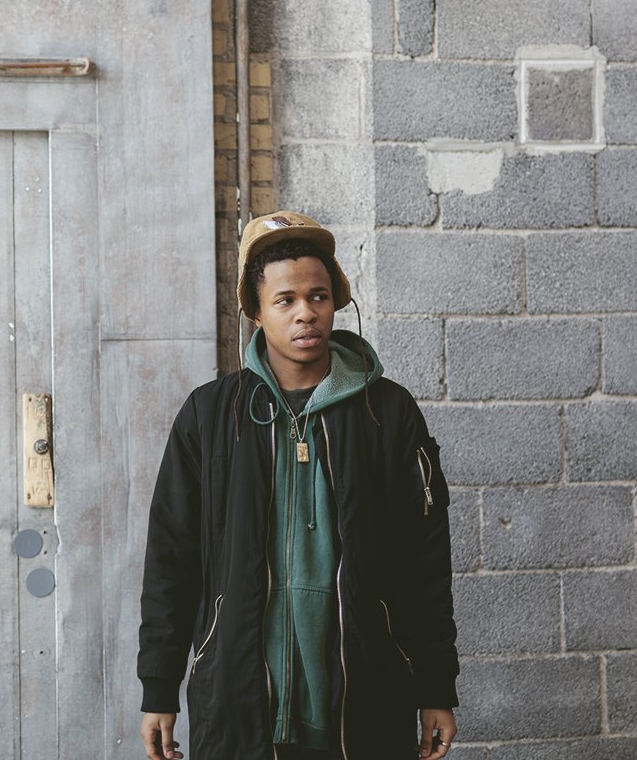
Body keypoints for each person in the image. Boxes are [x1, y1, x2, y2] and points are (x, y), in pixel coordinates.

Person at [138, 211, 459, 760]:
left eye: (318, 296)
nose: (305, 312)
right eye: (285, 300)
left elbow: (424, 561)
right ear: (255, 311)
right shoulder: (210, 416)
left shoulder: (388, 413)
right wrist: (159, 688)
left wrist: (435, 687)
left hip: (365, 695)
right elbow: (171, 560)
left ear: (335, 303)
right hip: (239, 696)